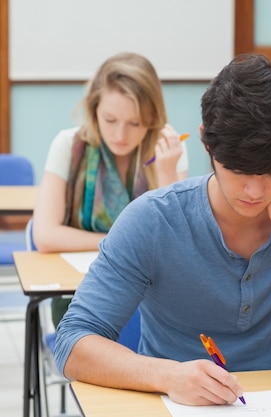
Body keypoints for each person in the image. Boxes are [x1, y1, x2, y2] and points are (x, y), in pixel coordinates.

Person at [54, 54, 271, 406]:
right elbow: (73, 343)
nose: (254, 192)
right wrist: (166, 375)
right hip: (171, 405)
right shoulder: (151, 219)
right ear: (206, 143)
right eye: (238, 170)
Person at [33, 52, 188, 327]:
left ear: (153, 117)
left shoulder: (169, 149)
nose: (120, 135)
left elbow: (178, 245)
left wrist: (166, 173)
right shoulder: (68, 145)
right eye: (110, 120)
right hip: (81, 293)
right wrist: (121, 245)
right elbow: (45, 235)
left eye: (135, 123)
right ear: (94, 109)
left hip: (153, 299)